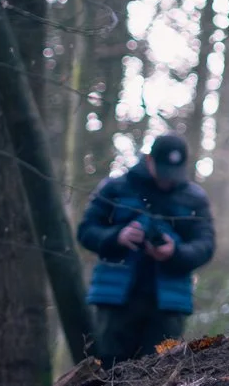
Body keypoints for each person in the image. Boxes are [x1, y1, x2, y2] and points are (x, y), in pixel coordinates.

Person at [77, 134, 217, 367]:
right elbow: (86, 231)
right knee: (109, 369)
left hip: (168, 304)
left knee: (161, 370)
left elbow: (206, 245)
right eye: (163, 171)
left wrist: (175, 253)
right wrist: (117, 236)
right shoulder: (115, 189)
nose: (167, 181)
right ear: (149, 160)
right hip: (116, 301)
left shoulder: (194, 198)